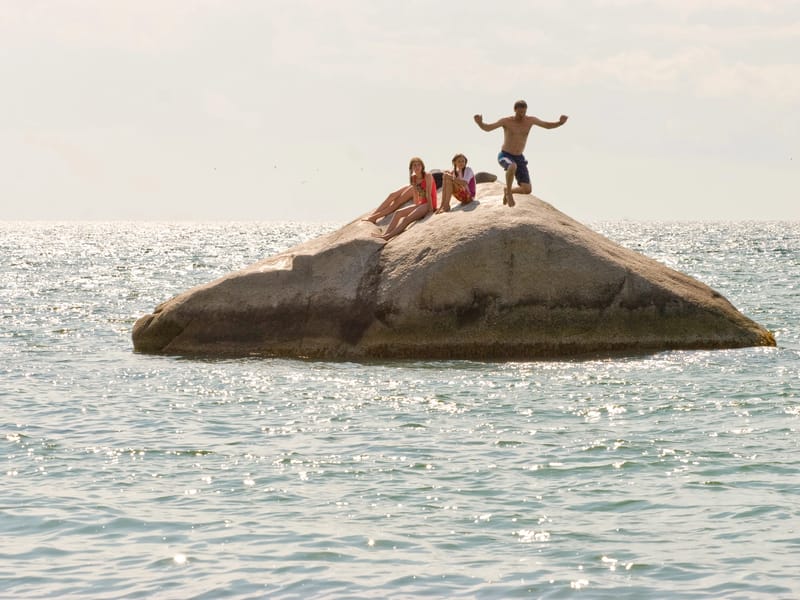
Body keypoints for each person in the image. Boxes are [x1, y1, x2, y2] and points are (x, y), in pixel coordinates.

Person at [474, 100, 568, 207]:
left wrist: (559, 123)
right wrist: (480, 123)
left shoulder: (530, 120)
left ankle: (507, 190)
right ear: (515, 110)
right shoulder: (506, 121)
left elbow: (547, 125)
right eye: (520, 112)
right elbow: (488, 128)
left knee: (527, 189)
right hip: (505, 155)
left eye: (524, 112)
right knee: (512, 166)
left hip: (519, 157)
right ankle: (509, 194)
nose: (522, 115)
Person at [373, 157, 437, 241]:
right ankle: (385, 234)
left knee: (407, 219)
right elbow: (416, 196)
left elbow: (428, 194)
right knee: (398, 213)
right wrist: (416, 207)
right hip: (421, 204)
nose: (417, 167)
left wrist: (430, 210)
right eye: (414, 165)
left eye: (419, 165)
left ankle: (388, 237)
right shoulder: (413, 178)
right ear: (411, 168)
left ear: (422, 166)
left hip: (429, 203)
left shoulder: (427, 176)